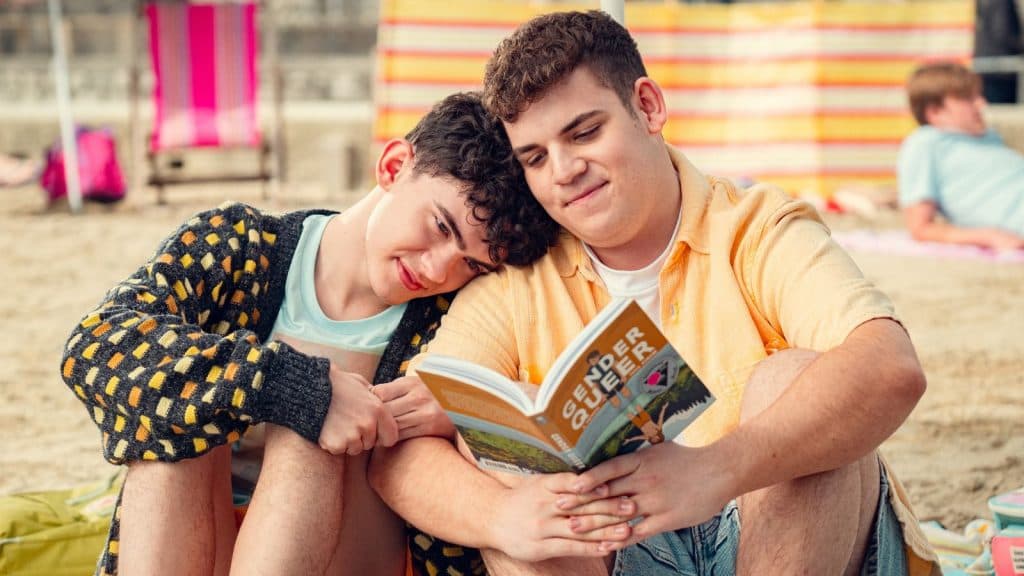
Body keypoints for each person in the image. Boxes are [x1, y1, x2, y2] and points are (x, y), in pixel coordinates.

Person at [369, 10, 940, 576]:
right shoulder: (521, 277)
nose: (564, 171)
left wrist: (714, 469)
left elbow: (890, 366)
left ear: (648, 106)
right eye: (536, 158)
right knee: (496, 442)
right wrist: (501, 517)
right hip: (618, 548)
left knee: (790, 380)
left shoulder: (756, 226)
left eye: (584, 132)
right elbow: (399, 454)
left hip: (779, 526)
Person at [59, 92, 559, 576]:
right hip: (192, 544)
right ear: (392, 166)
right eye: (440, 226)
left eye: (470, 264)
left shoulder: (452, 319)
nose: (435, 270)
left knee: (313, 432)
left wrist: (459, 409)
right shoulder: (240, 247)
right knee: (181, 417)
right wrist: (289, 385)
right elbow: (93, 346)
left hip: (351, 549)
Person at [898, 61, 1024, 250]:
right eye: (968, 98)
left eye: (978, 95)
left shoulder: (990, 137)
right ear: (935, 112)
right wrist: (988, 236)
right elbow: (920, 227)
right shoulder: (926, 143)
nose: (982, 103)